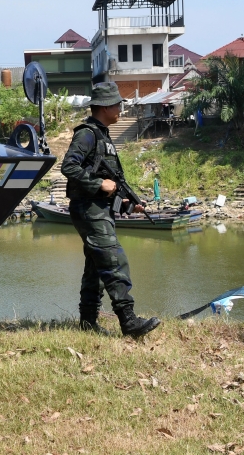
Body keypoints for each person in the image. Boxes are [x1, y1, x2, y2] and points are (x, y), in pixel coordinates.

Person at [61, 82, 161, 338]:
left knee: (96, 266)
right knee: (113, 260)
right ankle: (128, 322)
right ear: (104, 106)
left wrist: (127, 203)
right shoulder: (87, 133)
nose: (120, 108)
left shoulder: (103, 135)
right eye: (117, 104)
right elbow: (69, 167)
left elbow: (111, 182)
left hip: (100, 207)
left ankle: (87, 321)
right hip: (88, 207)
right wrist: (98, 184)